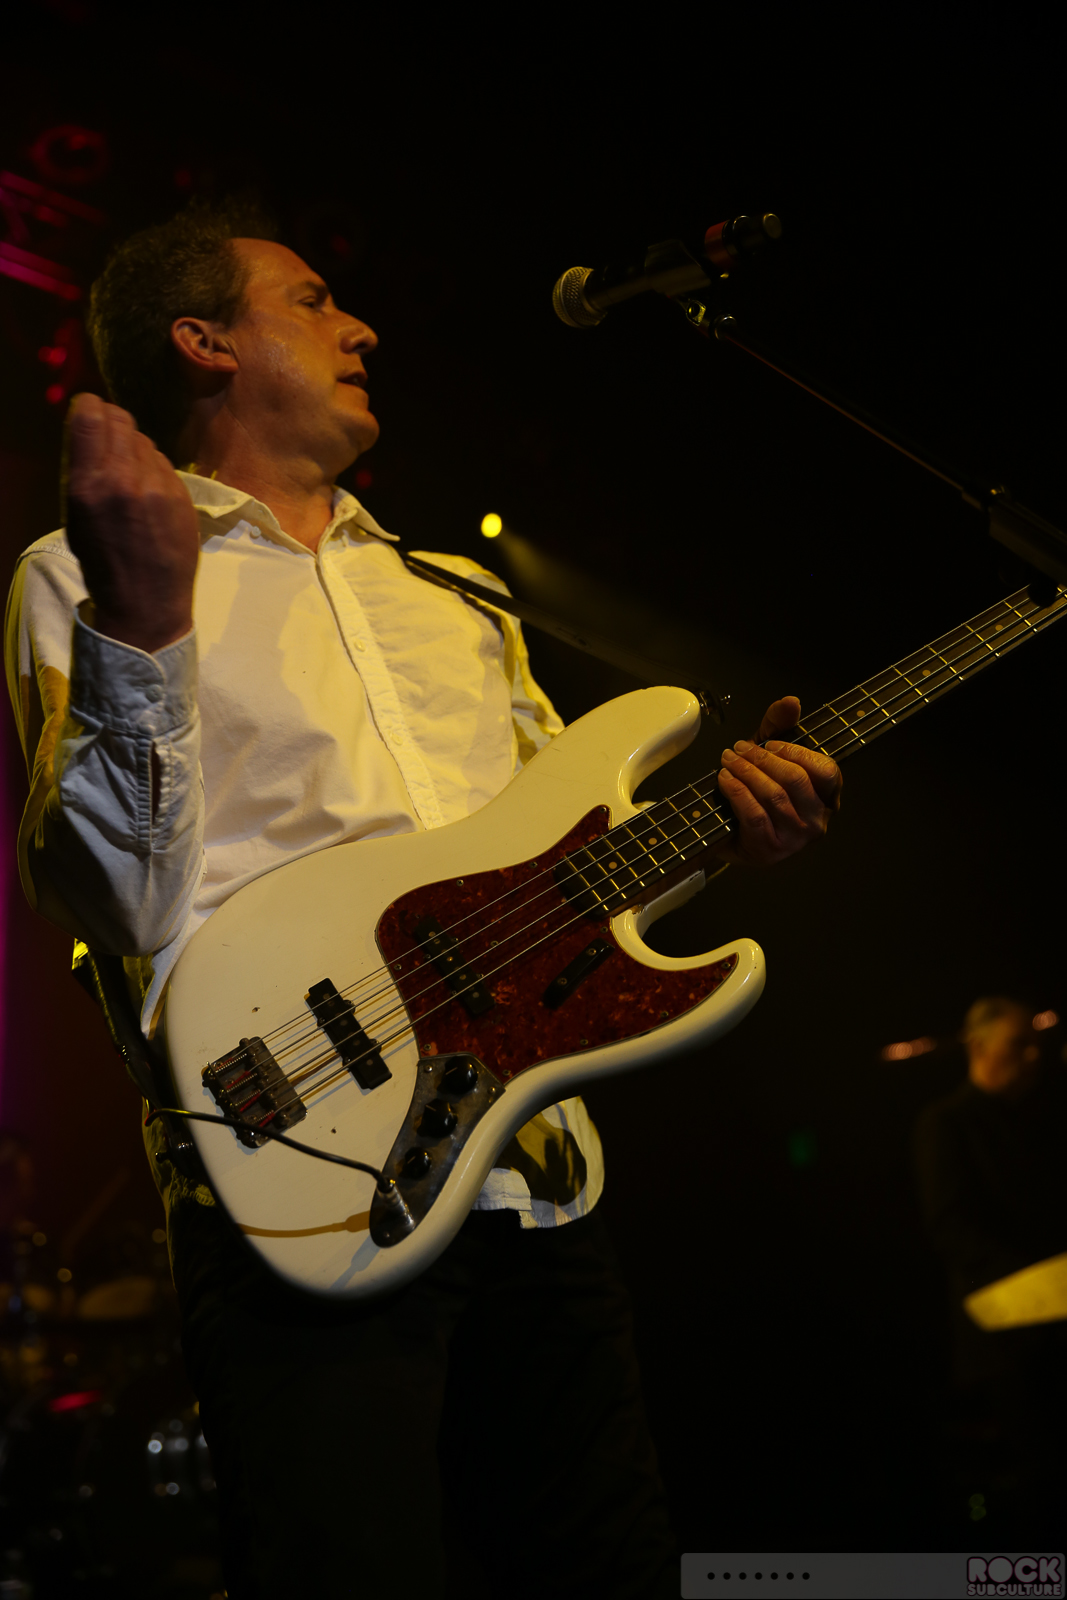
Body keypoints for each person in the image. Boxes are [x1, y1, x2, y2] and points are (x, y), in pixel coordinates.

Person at [4, 197, 842, 1598]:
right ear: (204, 342)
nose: (362, 328)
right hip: (299, 1176)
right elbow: (114, 899)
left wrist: (722, 837)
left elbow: (566, 886)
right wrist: (141, 624)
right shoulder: (84, 569)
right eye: (313, 300)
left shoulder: (459, 596)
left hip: (535, 1176)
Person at [914, 996, 1067, 1539]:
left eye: (1036, 1045)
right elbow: (950, 1228)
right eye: (1018, 1045)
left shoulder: (1042, 1122)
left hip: (1052, 1329)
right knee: (1038, 1481)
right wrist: (1040, 1281)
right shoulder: (946, 1124)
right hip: (1004, 1343)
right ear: (978, 1048)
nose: (1033, 1056)